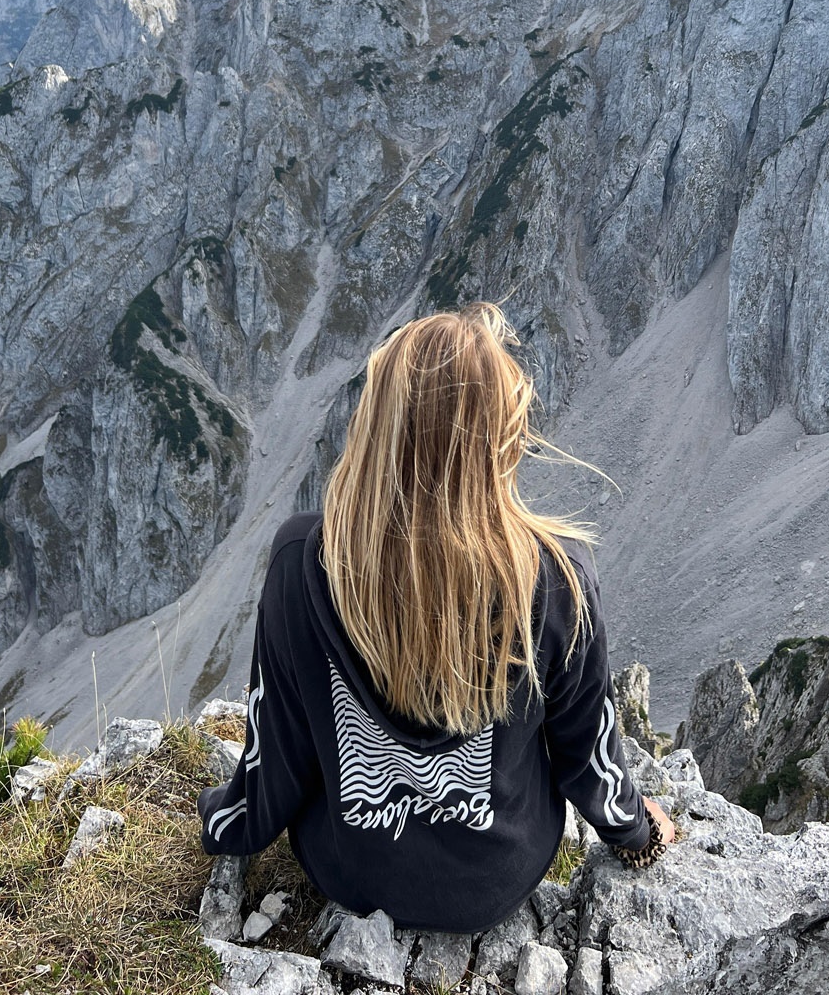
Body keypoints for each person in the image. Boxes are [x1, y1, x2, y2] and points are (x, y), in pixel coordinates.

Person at [197, 302, 675, 933]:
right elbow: (585, 750)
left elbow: (276, 745)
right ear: (495, 444)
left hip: (349, 870)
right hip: (494, 881)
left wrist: (226, 823)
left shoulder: (301, 562)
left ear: (375, 427)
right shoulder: (558, 580)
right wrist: (638, 831)